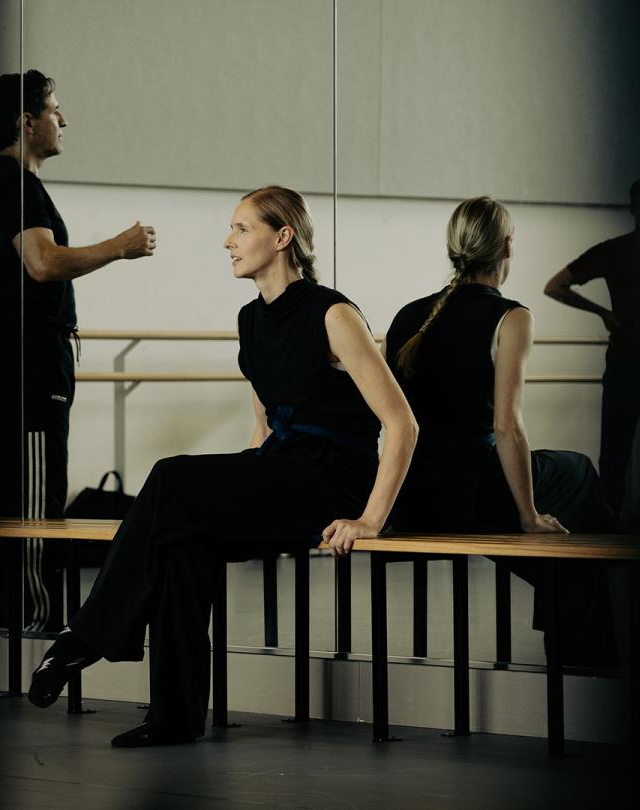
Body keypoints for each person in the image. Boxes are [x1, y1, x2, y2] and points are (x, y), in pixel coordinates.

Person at [26, 186, 418, 747]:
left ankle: (82, 638)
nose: (227, 241)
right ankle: (174, 719)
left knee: (171, 476)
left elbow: (402, 424)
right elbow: (263, 429)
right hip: (282, 468)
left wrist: (370, 520)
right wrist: (234, 482)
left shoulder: (332, 313)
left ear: (282, 238)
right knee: (183, 537)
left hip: (334, 479)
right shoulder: (250, 320)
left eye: (241, 229)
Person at [386, 196, 616, 664]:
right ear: (508, 245)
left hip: (418, 493)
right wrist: (529, 516)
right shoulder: (512, 316)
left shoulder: (409, 315)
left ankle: (568, 604)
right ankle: (589, 653)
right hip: (476, 491)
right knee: (579, 474)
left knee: (567, 524)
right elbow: (506, 427)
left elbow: (391, 421)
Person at [0, 69, 156, 632]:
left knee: (20, 485)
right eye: (54, 109)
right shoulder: (13, 184)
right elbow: (43, 263)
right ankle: (32, 617)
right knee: (32, 492)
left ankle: (8, 613)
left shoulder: (13, 184)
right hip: (27, 359)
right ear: (26, 123)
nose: (63, 119)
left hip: (25, 355)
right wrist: (119, 247)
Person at [544, 179, 640, 515]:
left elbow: (556, 286)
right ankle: (609, 532)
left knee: (625, 454)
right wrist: (601, 312)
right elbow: (555, 286)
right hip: (634, 363)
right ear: (634, 209)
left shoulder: (623, 250)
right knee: (615, 456)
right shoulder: (618, 251)